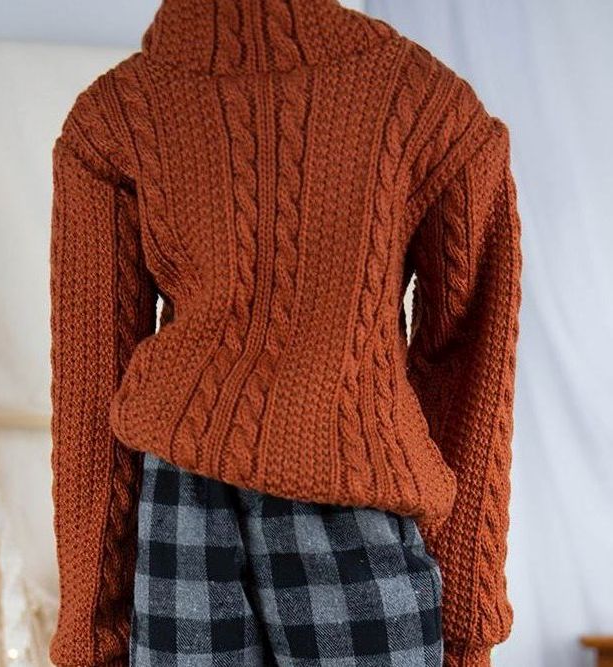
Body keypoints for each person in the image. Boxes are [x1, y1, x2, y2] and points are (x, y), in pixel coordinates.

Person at [48, 0, 523, 665]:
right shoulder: (427, 103)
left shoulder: (116, 116)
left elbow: (90, 388)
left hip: (187, 512)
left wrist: (90, 634)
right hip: (352, 504)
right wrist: (467, 616)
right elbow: (472, 366)